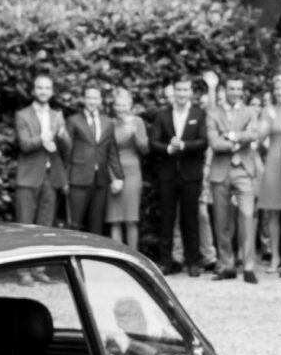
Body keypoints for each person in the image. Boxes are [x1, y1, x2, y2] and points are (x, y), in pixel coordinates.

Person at [206, 72, 265, 282]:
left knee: (247, 216)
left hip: (244, 170)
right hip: (220, 170)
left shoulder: (250, 112)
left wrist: (231, 136)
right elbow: (214, 143)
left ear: (242, 91)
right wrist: (239, 142)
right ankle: (227, 264)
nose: (235, 92)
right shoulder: (213, 112)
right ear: (225, 90)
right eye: (232, 88)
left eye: (239, 89)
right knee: (221, 220)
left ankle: (248, 266)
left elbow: (254, 134)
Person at [152, 75, 208, 276]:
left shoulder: (199, 114)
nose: (182, 94)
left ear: (190, 92)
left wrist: (184, 145)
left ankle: (193, 262)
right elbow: (153, 142)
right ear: (173, 92)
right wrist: (168, 149)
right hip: (167, 175)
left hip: (190, 175)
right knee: (166, 220)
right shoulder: (162, 115)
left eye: (185, 90)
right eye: (179, 90)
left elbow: (204, 141)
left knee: (190, 220)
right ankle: (165, 262)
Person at [13, 73, 70, 226]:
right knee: (24, 226)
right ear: (33, 91)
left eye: (47, 88)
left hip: (51, 178)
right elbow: (25, 144)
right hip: (28, 177)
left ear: (52, 92)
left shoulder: (57, 115)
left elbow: (66, 148)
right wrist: (43, 138)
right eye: (39, 88)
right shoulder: (22, 115)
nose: (43, 91)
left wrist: (62, 135)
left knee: (45, 228)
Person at [64, 84, 120, 235]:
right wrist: (64, 179)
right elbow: (67, 151)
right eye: (89, 97)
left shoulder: (108, 122)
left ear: (100, 100)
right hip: (78, 179)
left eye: (95, 98)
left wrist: (118, 176)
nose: (92, 101)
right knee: (74, 224)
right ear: (83, 99)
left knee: (96, 224)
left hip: (100, 180)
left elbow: (112, 151)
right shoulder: (73, 120)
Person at [257, 74, 281, 273]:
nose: (280, 92)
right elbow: (259, 136)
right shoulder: (268, 110)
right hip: (273, 161)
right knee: (272, 213)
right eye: (277, 88)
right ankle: (275, 257)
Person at [106, 86, 150, 249]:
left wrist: (135, 133)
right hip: (113, 173)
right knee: (115, 219)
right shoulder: (109, 123)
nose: (120, 108)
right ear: (113, 106)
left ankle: (133, 256)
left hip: (132, 173)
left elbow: (145, 149)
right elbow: (106, 153)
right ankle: (118, 258)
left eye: (123, 105)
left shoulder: (137, 122)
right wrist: (113, 178)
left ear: (130, 105)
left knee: (131, 219)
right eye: (117, 105)